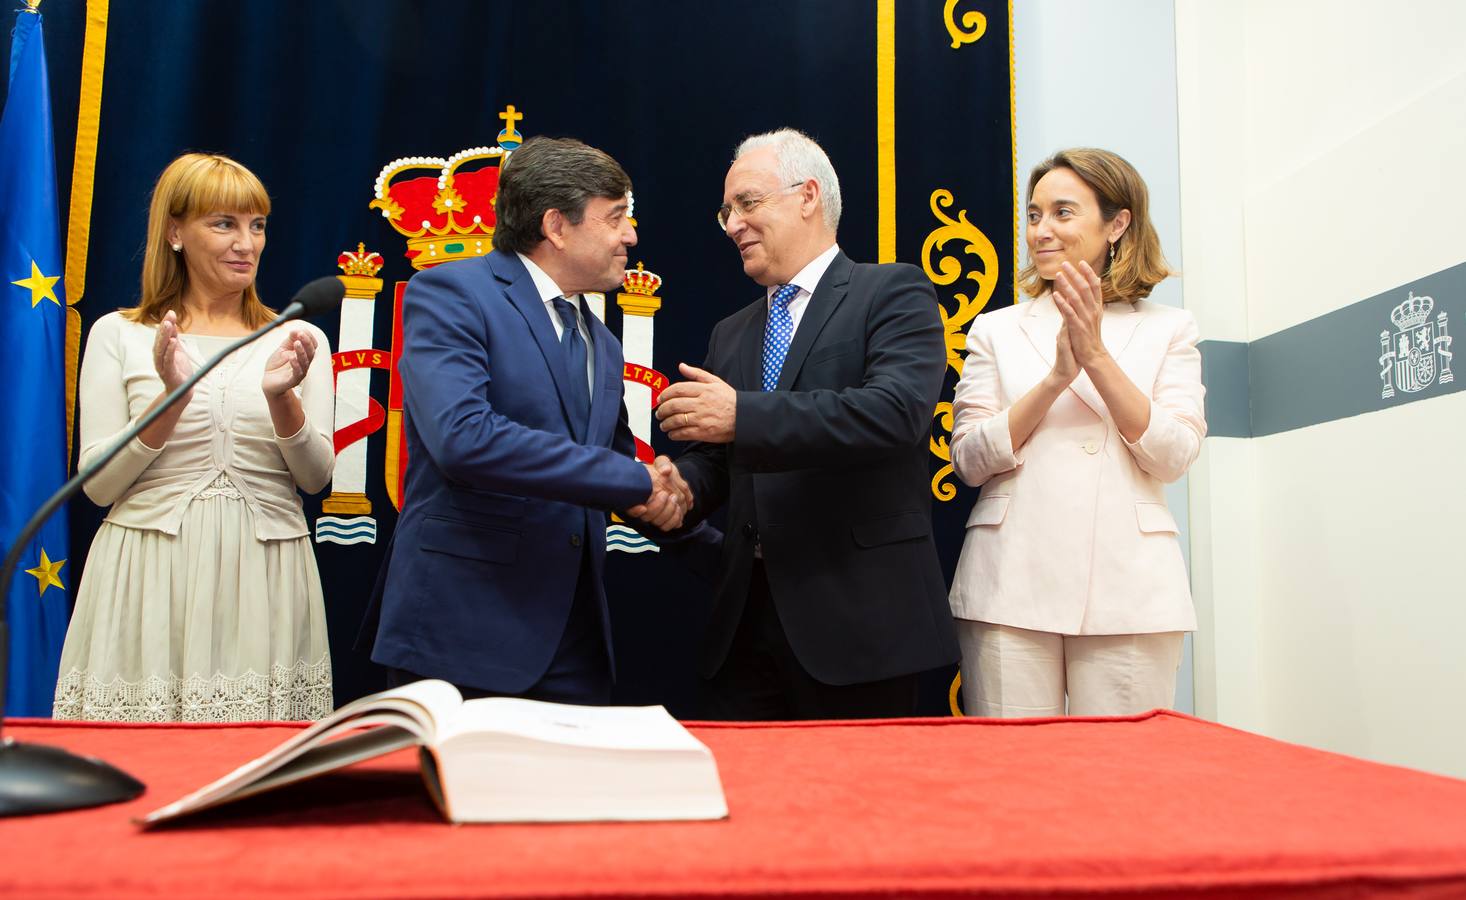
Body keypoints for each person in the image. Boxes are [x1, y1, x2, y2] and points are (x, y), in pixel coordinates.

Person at [359, 136, 689, 706]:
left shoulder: (604, 345)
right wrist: (637, 481)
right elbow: (465, 439)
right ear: (557, 226)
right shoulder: (451, 293)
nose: (631, 236)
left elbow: (613, 471)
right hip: (462, 636)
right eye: (616, 219)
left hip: (575, 641)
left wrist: (723, 551)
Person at [648, 128, 958, 720]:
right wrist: (681, 488)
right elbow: (723, 457)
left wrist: (741, 413)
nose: (733, 224)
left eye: (748, 203)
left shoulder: (891, 291)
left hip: (859, 622)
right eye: (726, 211)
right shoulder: (732, 331)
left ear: (808, 195)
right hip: (744, 623)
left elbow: (894, 413)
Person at [53, 153, 335, 722]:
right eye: (224, 224)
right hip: (148, 574)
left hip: (264, 579)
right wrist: (172, 399)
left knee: (249, 777)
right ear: (175, 232)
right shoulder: (121, 334)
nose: (246, 244)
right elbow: (99, 487)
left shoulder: (299, 335)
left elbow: (314, 478)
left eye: (257, 225)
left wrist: (283, 399)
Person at [947, 148, 1207, 717]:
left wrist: (1094, 356)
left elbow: (1174, 454)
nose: (1041, 230)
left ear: (1117, 224)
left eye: (1063, 212)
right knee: (1014, 779)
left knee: (1123, 783)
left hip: (1130, 589)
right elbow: (967, 458)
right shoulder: (996, 329)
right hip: (1008, 583)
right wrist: (1055, 379)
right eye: (1034, 215)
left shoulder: (1169, 328)